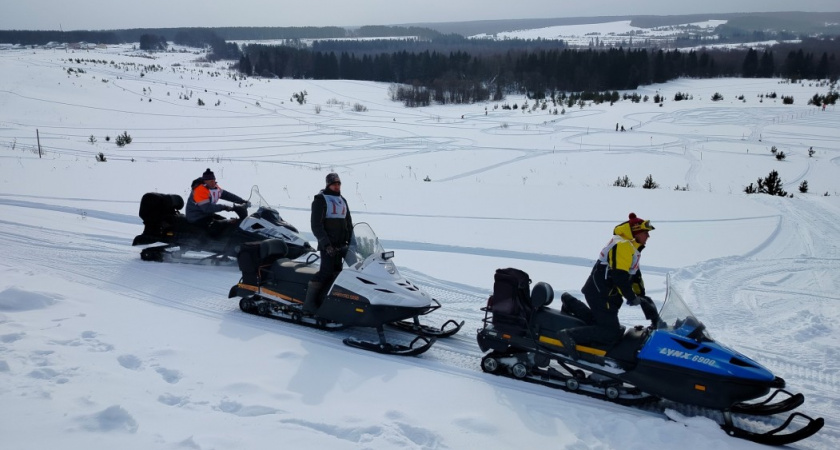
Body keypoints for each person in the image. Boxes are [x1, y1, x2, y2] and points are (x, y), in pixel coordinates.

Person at [557, 213, 658, 360]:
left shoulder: (630, 247)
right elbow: (619, 276)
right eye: (645, 233)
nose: (648, 236)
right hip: (601, 292)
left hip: (604, 291)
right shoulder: (623, 245)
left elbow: (634, 275)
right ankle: (568, 335)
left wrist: (642, 296)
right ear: (636, 233)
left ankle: (570, 302)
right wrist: (631, 296)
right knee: (610, 332)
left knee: (601, 323)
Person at [302, 172, 353, 314]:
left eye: (339, 183)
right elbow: (316, 225)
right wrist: (326, 244)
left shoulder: (342, 200)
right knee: (326, 272)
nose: (337, 186)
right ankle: (309, 304)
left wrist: (351, 240)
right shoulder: (320, 200)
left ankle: (329, 303)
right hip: (328, 246)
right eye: (334, 184)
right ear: (328, 185)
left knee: (339, 273)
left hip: (342, 245)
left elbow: (348, 222)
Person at [185, 168, 248, 235]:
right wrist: (224, 207)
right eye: (210, 181)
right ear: (205, 181)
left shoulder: (213, 187)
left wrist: (241, 201)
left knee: (228, 223)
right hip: (196, 217)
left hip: (207, 215)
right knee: (216, 228)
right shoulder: (200, 190)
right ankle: (208, 245)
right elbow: (207, 208)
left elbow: (226, 195)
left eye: (214, 180)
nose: (213, 183)